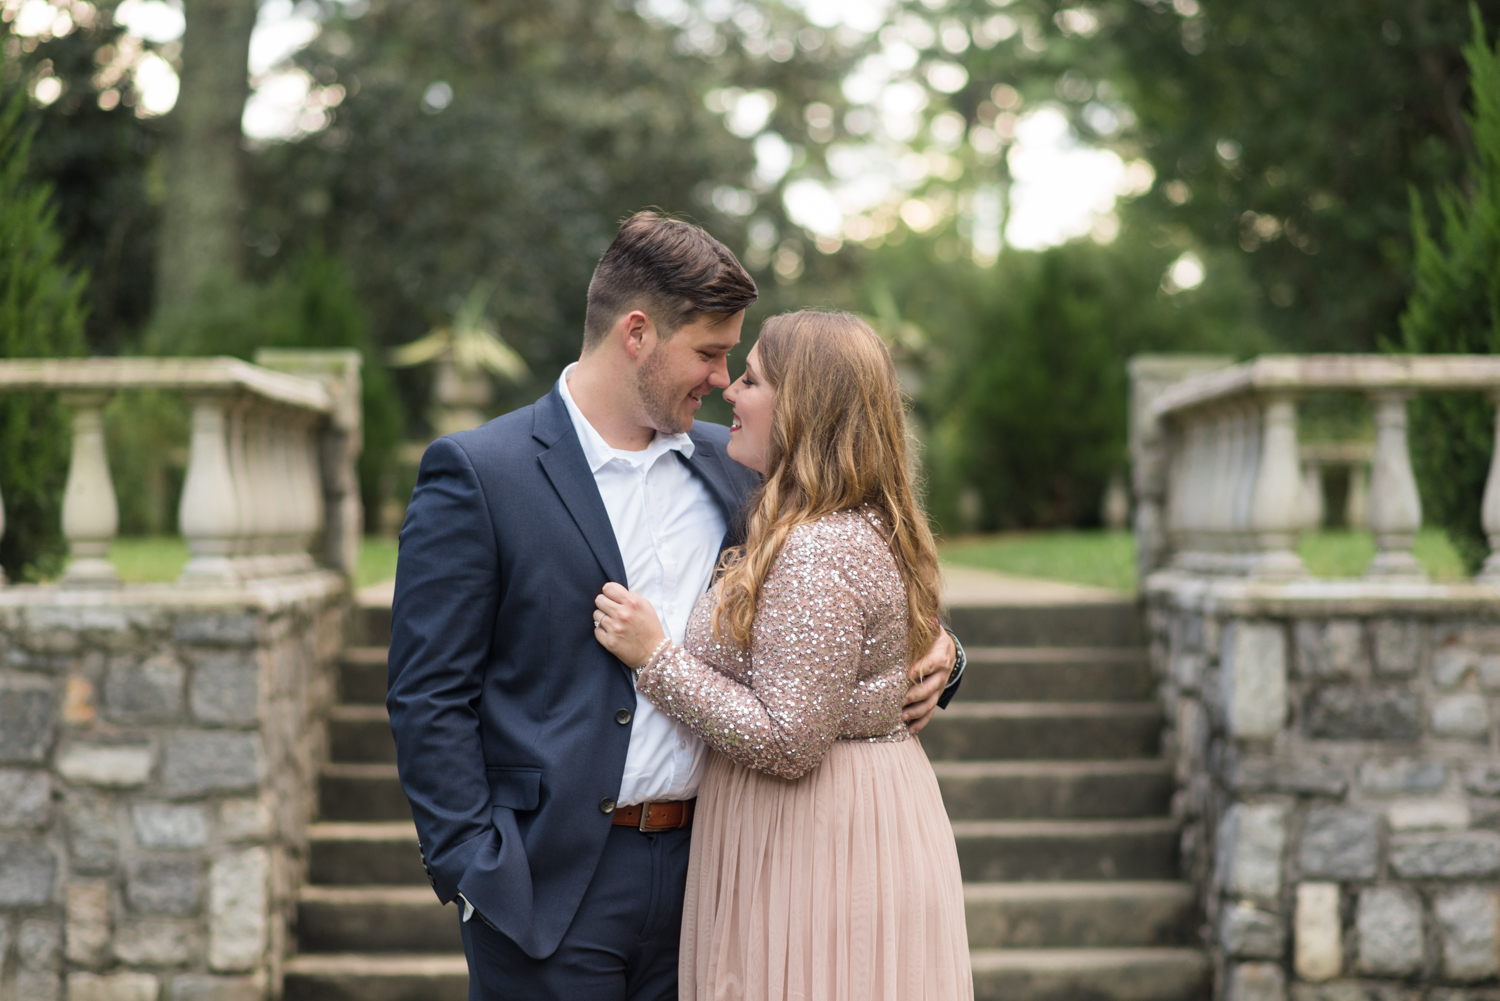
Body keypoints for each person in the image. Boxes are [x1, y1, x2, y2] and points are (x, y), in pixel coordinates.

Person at [387, 212, 965, 1000]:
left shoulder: (738, 473)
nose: (723, 380)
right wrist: (472, 867)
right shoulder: (481, 474)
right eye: (709, 352)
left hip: (717, 876)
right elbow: (428, 690)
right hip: (549, 884)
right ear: (636, 333)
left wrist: (945, 656)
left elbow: (849, 591)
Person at [592, 310, 974, 1000]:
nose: (729, 392)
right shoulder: (843, 519)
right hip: (834, 822)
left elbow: (791, 737)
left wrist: (655, 657)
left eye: (751, 379)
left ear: (804, 407)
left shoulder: (815, 547)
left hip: (818, 843)